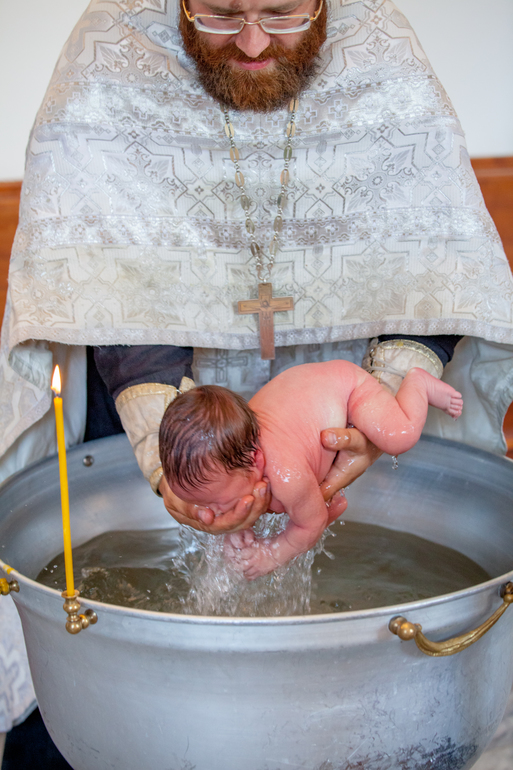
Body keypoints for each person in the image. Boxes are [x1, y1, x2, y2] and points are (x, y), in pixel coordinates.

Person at [1, 0, 512, 745]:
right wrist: (156, 424)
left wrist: (384, 391)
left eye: (280, 12)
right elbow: (97, 263)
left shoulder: (381, 50)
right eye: (217, 12)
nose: (249, 41)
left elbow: (435, 255)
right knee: (113, 687)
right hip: (150, 389)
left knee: (354, 699)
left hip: (333, 395)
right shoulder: (112, 49)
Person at [160, 365, 462, 578]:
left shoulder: (286, 476)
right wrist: (239, 529)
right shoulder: (238, 459)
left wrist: (273, 554)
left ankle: (419, 383)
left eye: (214, 503)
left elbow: (313, 522)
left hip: (345, 386)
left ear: (256, 461)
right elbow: (235, 490)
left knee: (399, 436)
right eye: (199, 503)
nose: (207, 514)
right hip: (300, 391)